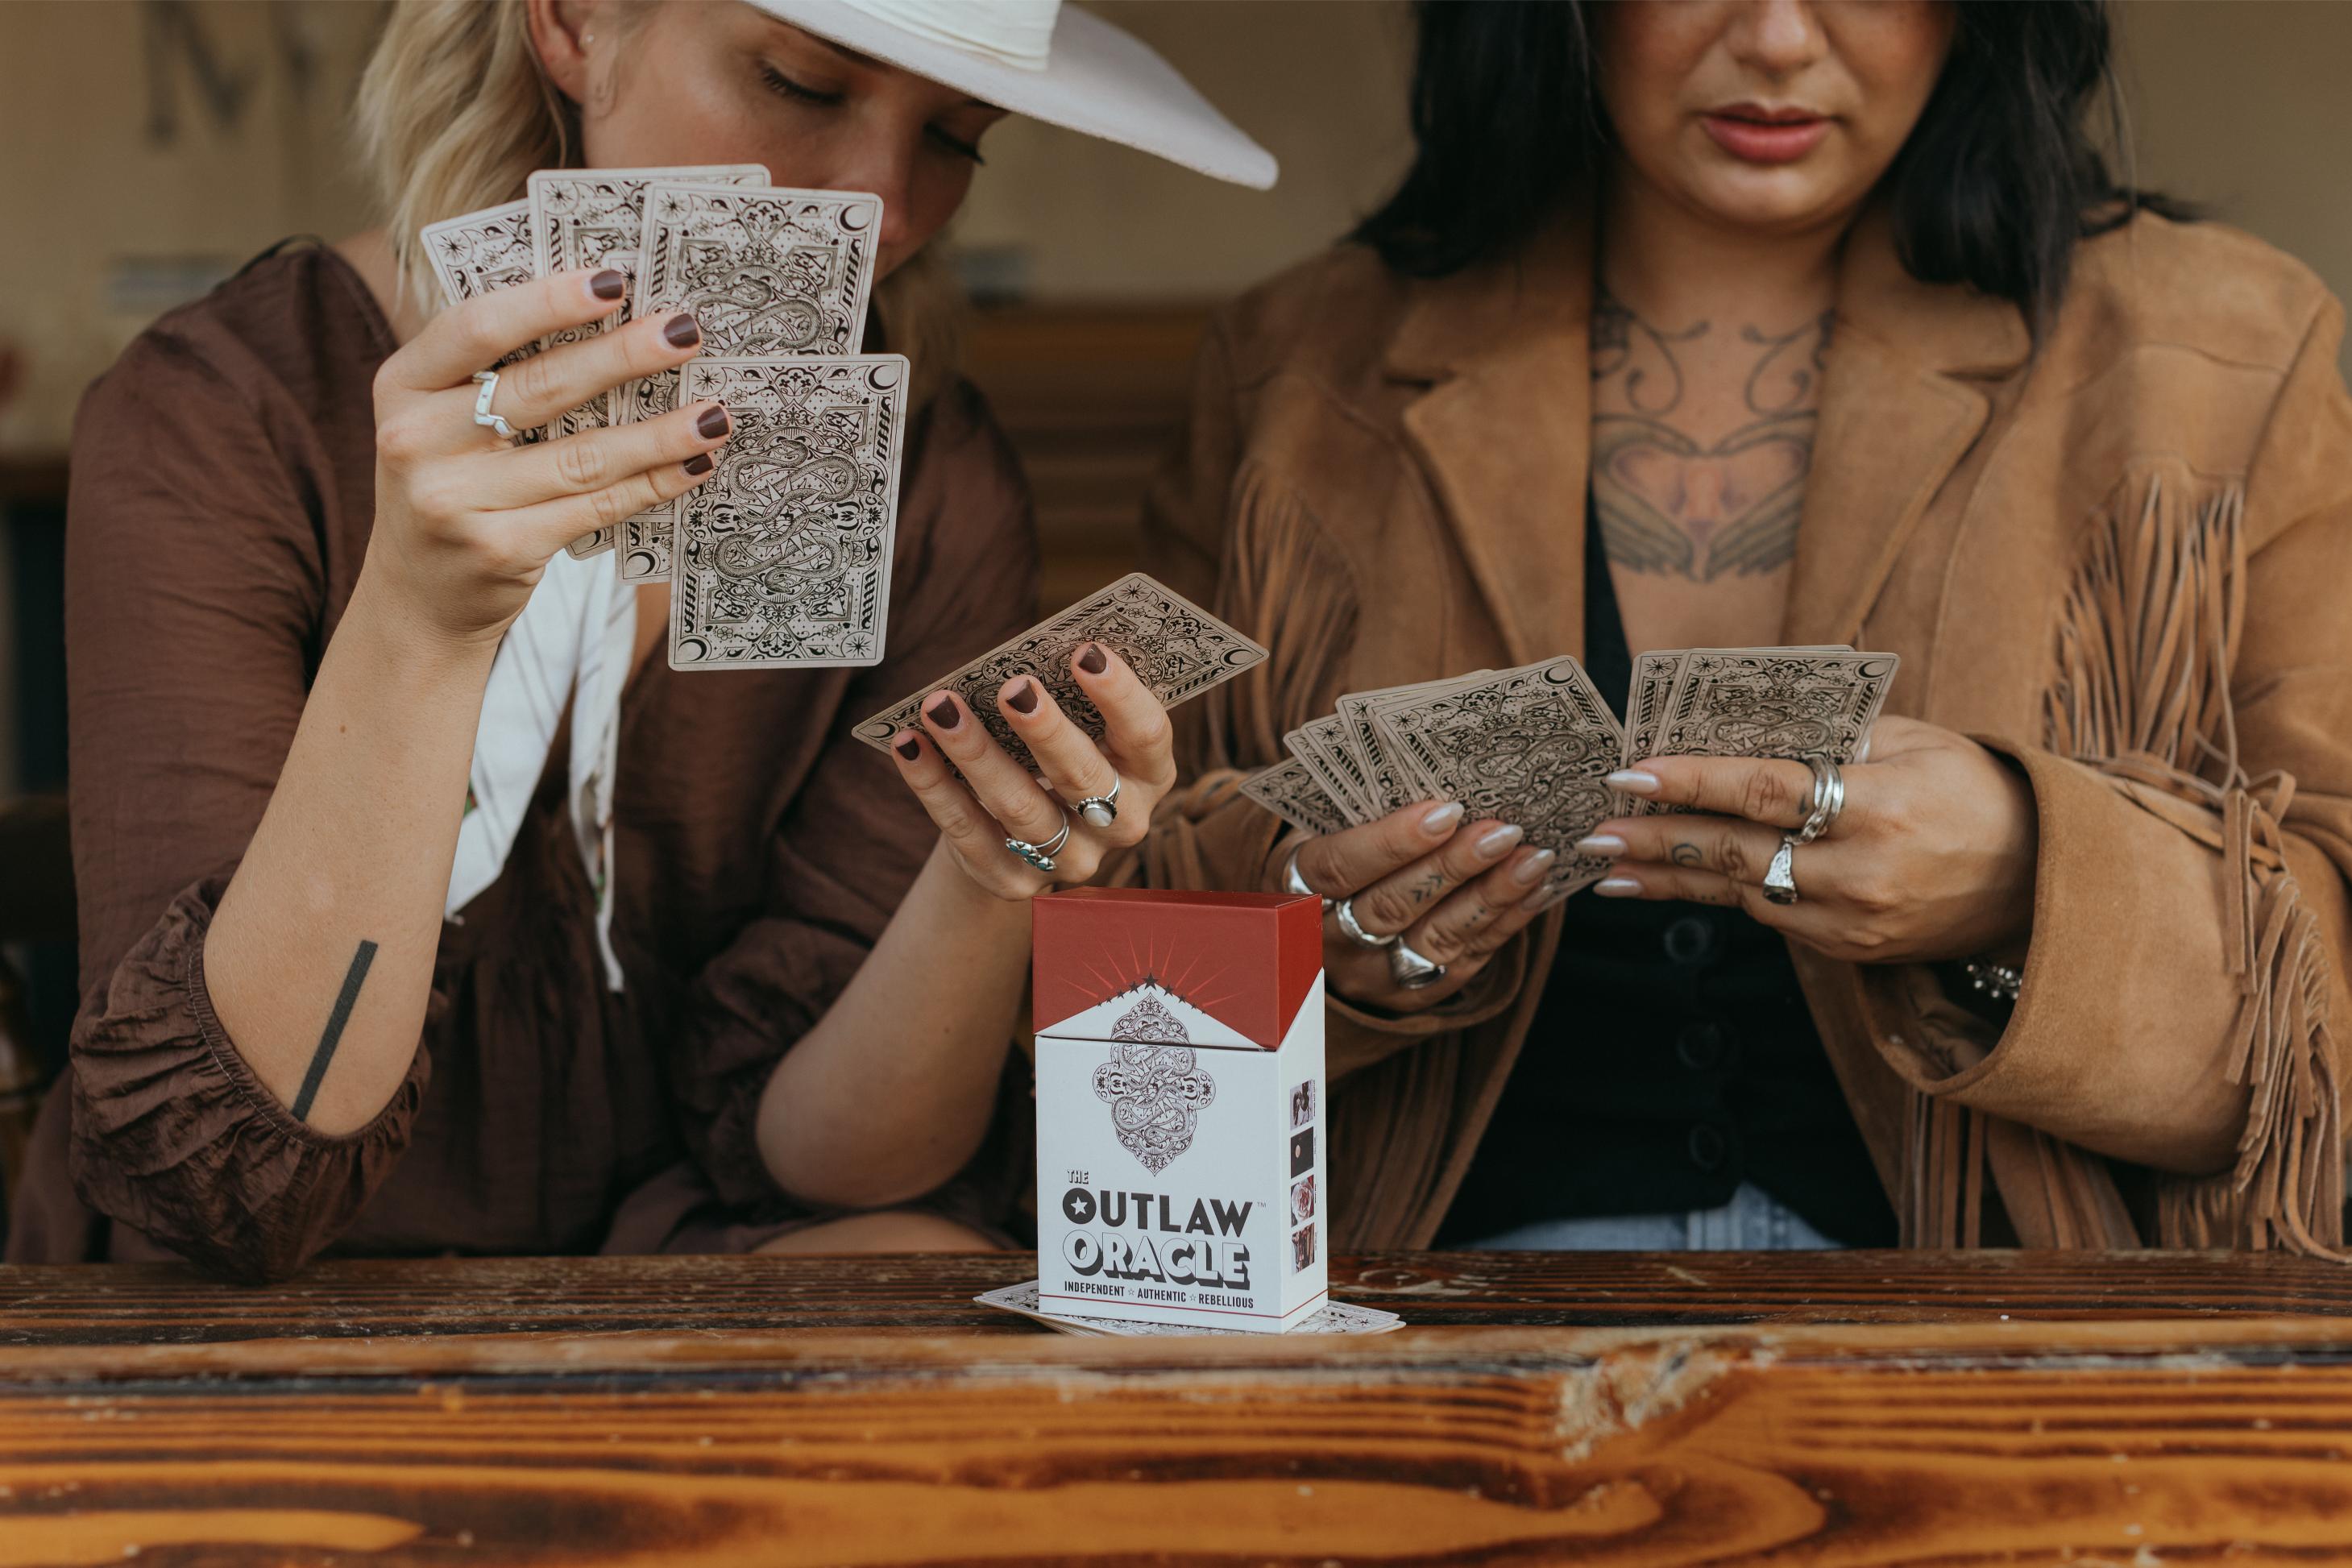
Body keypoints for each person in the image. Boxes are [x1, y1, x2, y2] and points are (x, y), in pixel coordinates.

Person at [6, 0, 1274, 1281]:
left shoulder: (933, 485)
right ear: (570, 25)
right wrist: (422, 624)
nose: (887, 205)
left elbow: (827, 1166)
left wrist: (992, 874)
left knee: (924, 1273)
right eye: (799, 83)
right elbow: (223, 1181)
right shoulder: (222, 417)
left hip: (690, 1266)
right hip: (259, 1277)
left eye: (959, 137)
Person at [1139, 0, 2352, 1255]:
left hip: (1989, 1322)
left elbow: (2331, 999)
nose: (1778, 38)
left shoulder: (2226, 355)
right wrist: (1320, 941)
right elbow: (1114, 945)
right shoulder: (1297, 367)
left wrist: (2020, 877)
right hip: (1427, 1299)